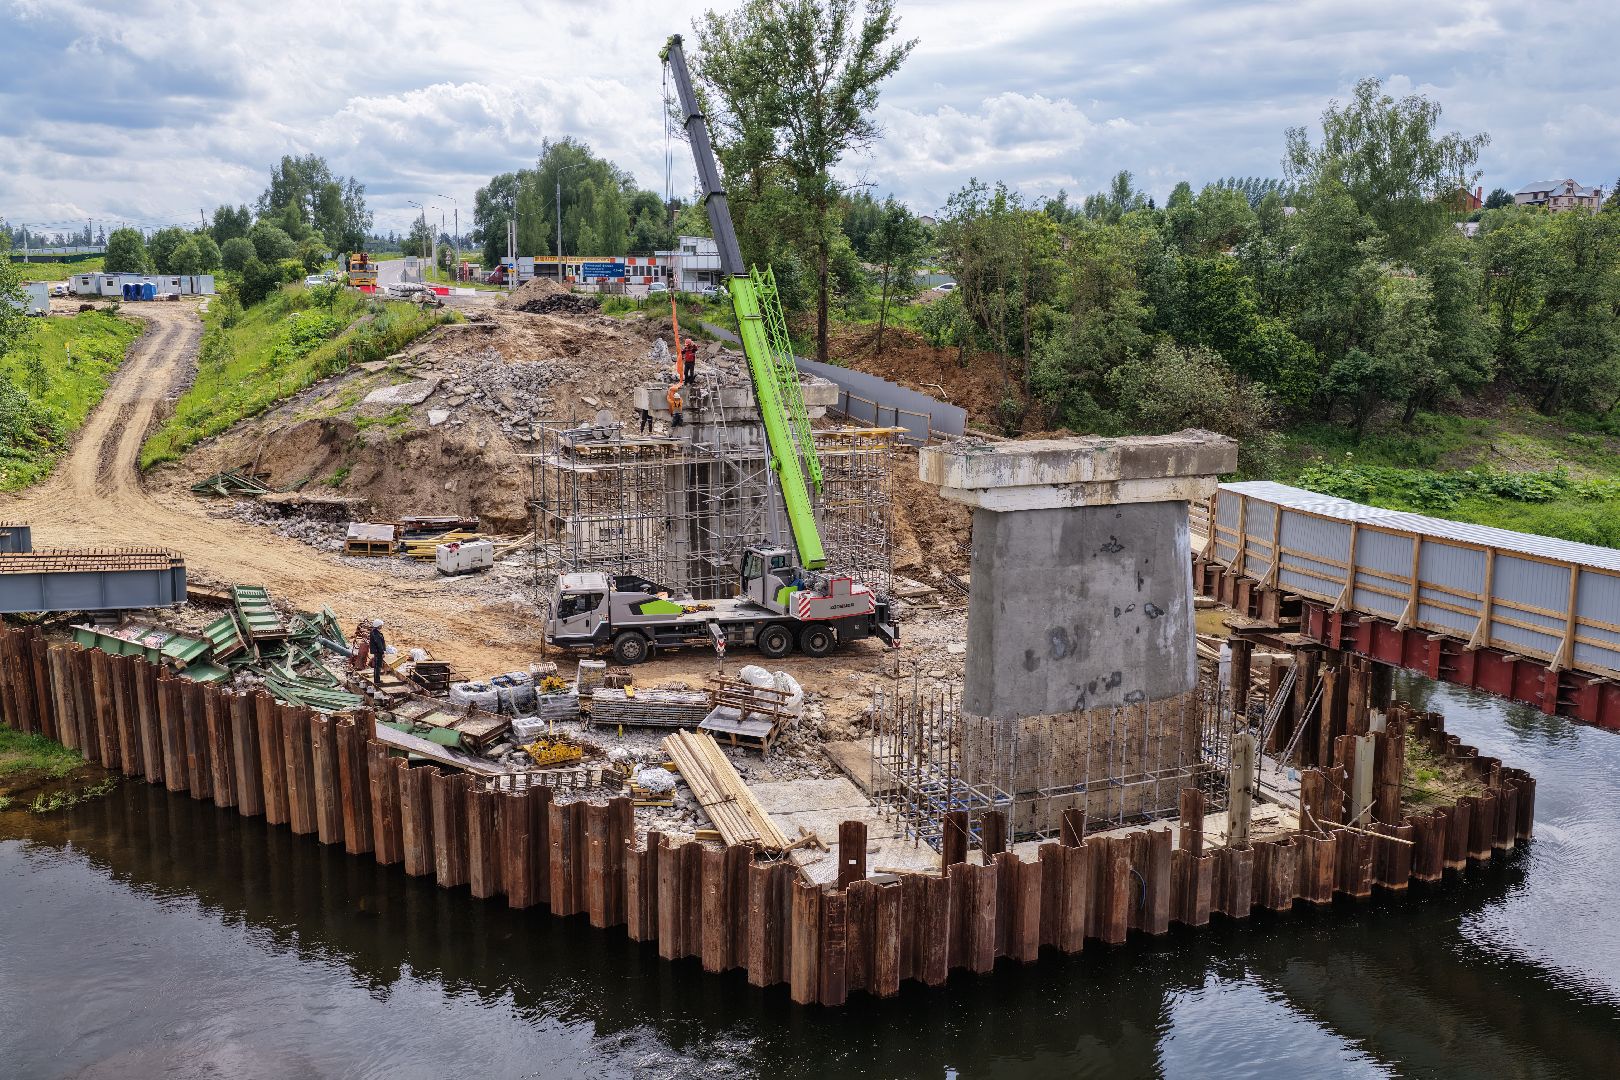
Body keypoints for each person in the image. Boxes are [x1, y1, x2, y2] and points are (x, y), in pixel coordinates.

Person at [368, 619, 386, 688]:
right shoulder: (376, 634)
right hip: (378, 652)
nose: (382, 626)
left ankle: (377, 680)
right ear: (378, 626)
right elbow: (379, 644)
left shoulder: (374, 632)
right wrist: (382, 652)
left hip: (376, 652)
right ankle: (377, 681)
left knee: (377, 666)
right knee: (378, 666)